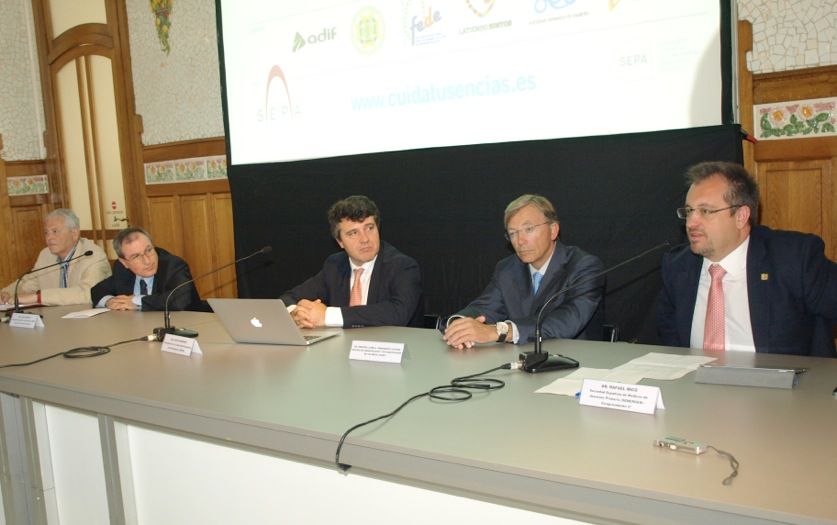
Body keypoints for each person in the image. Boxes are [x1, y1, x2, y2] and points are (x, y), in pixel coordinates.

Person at [657, 161, 837, 357]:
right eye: (689, 211)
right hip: (696, 383)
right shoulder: (678, 267)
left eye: (705, 211)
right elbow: (671, 343)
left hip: (780, 384)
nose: (691, 222)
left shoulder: (794, 258)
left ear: (741, 216)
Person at [443, 194, 604, 349]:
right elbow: (484, 307)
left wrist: (500, 331)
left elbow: (567, 321)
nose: (520, 241)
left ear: (553, 230)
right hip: (519, 362)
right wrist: (459, 325)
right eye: (513, 233)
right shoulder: (507, 268)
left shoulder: (584, 266)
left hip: (577, 363)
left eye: (529, 229)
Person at [279, 195, 423, 328]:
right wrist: (295, 313)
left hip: (394, 350)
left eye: (369, 228)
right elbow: (288, 298)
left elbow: (398, 313)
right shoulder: (335, 265)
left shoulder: (402, 266)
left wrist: (327, 315)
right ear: (340, 241)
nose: (365, 239)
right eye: (353, 233)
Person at [0, 208, 110, 306]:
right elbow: (29, 282)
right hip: (56, 320)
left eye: (55, 231)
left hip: (90, 322)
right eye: (46, 233)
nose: (49, 238)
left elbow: (89, 293)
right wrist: (7, 292)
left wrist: (39, 297)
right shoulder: (46, 255)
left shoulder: (92, 255)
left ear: (74, 233)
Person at [91, 227, 200, 311]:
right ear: (124, 262)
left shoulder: (173, 265)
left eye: (149, 250)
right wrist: (109, 301)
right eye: (136, 256)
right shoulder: (122, 270)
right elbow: (97, 290)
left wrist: (137, 301)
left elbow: (179, 301)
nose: (147, 261)